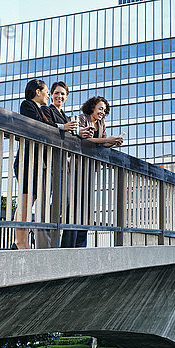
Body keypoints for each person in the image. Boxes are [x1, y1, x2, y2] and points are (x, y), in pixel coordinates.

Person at [11, 79, 66, 249]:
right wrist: (62, 126)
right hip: (26, 161)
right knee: (26, 201)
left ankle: (21, 241)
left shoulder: (38, 109)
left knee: (30, 200)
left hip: (34, 161)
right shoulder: (27, 105)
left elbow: (47, 125)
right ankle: (20, 242)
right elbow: (42, 125)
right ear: (37, 91)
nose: (48, 94)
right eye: (47, 91)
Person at [63, 96, 124, 248]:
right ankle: (68, 245)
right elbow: (86, 140)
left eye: (104, 110)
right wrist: (107, 140)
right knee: (75, 207)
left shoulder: (101, 123)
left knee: (86, 208)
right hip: (77, 167)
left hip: (90, 169)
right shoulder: (82, 119)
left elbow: (102, 145)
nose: (102, 112)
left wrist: (113, 142)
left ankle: (80, 245)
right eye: (100, 108)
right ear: (92, 107)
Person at [40, 81, 82, 248]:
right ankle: (43, 239)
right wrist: (63, 127)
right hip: (49, 161)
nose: (59, 96)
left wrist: (79, 133)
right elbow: (45, 127)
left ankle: (50, 229)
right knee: (45, 200)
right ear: (51, 94)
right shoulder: (46, 110)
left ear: (67, 97)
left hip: (64, 163)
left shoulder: (65, 116)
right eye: (56, 93)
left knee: (66, 198)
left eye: (63, 94)